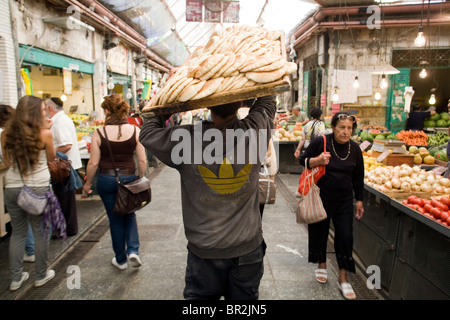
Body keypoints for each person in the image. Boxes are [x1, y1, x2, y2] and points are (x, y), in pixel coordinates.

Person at [139, 94, 276, 300]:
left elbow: (148, 130)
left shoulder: (185, 140)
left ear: (206, 104)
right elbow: (268, 98)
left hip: (204, 251)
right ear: (240, 103)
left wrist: (176, 104)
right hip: (247, 248)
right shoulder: (256, 131)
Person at [299, 111, 364, 300]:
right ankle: (321, 263)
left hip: (344, 200)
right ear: (333, 127)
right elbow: (302, 160)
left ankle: (343, 277)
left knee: (346, 236)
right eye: (342, 127)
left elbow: (358, 176)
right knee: (320, 231)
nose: (345, 132)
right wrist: (317, 161)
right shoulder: (321, 142)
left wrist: (359, 199)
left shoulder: (355, 149)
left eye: (349, 128)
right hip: (322, 196)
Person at [83, 94, 147, 270]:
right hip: (129, 178)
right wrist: (141, 178)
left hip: (107, 179)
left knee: (115, 218)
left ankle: (120, 259)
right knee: (130, 213)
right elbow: (142, 160)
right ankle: (133, 250)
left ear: (106, 111)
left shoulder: (99, 133)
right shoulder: (135, 131)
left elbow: (93, 162)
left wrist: (87, 184)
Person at [1, 95, 56, 291]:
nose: (45, 113)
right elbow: (52, 158)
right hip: (37, 187)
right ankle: (41, 275)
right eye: (42, 110)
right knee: (40, 233)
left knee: (18, 233)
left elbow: (7, 163)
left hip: (12, 187)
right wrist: (47, 131)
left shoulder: (6, 133)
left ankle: (16, 278)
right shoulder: (44, 133)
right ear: (34, 113)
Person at [45, 97, 82, 236]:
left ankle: (68, 229)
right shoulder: (59, 120)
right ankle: (66, 228)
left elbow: (66, 145)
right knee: (64, 199)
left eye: (44, 108)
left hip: (63, 168)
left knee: (65, 200)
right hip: (63, 166)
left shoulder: (59, 122)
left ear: (50, 108)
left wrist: (50, 155)